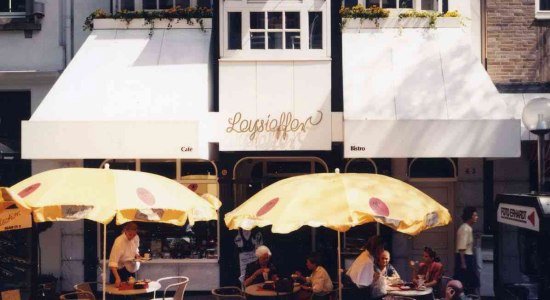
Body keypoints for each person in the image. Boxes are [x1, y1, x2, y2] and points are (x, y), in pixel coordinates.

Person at [454, 207, 480, 295]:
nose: (477, 217)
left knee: (470, 282)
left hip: (468, 257)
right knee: (466, 282)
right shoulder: (465, 228)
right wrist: (463, 263)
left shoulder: (468, 228)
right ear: (470, 216)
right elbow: (462, 247)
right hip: (465, 257)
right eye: (475, 215)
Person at [108, 222, 141, 287]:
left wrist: (137, 254)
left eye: (134, 234)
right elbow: (113, 262)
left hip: (130, 269)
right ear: (125, 231)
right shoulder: (119, 241)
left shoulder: (136, 237)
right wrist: (117, 278)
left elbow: (135, 249)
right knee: (118, 295)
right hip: (118, 271)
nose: (132, 237)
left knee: (131, 293)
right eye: (130, 234)